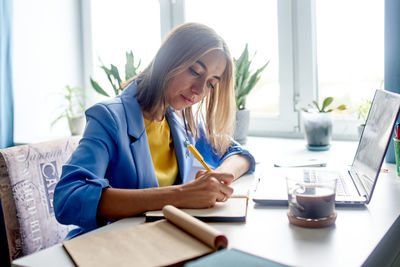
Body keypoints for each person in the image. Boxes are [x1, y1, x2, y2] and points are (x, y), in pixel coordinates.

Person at [54, 22, 256, 239]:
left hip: (160, 241)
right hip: (109, 247)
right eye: (195, 71)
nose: (199, 90)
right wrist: (181, 195)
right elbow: (69, 198)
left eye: (211, 84)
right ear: (169, 60)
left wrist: (217, 178)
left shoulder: (180, 120)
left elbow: (238, 153)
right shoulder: (109, 118)